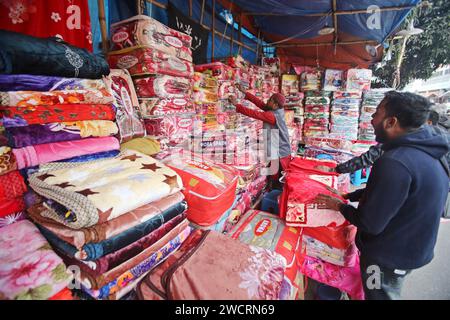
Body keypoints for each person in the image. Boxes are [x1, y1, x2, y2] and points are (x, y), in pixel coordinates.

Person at [315, 91, 449, 300]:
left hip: (388, 257)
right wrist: (347, 195)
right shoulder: (428, 151)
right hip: (411, 248)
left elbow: (369, 223)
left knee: (379, 295)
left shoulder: (396, 162)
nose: (371, 119)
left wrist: (339, 206)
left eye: (376, 113)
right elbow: (391, 194)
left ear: (391, 122)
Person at [228, 86, 291, 185]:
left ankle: (274, 194)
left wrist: (237, 105)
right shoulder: (277, 110)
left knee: (276, 177)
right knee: (273, 172)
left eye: (270, 100)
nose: (267, 101)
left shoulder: (271, 115)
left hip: (280, 152)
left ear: (275, 105)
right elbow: (261, 104)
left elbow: (254, 114)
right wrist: (246, 93)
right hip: (279, 149)